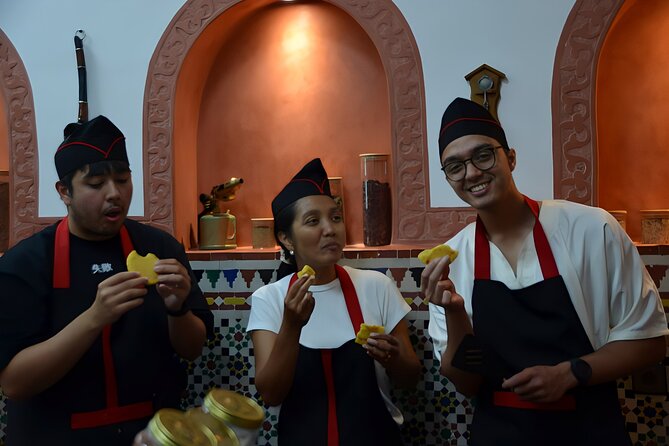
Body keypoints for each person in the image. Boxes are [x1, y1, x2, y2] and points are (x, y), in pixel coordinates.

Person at [423, 98, 669, 445]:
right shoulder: (451, 261)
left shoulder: (590, 229)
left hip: (589, 429)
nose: (472, 173)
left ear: (511, 157)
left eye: (483, 155)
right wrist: (454, 311)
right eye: (454, 166)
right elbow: (466, 383)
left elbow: (652, 342)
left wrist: (571, 373)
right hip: (499, 434)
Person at [0, 116, 214, 445]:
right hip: (55, 436)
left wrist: (177, 309)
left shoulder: (160, 249)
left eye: (123, 179)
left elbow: (192, 348)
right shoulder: (25, 264)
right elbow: (15, 383)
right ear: (64, 192)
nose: (114, 194)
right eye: (96, 184)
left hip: (149, 432)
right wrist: (94, 317)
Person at [247, 158, 422, 445]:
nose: (330, 229)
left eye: (336, 217)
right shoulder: (270, 299)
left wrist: (394, 357)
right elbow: (270, 394)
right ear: (286, 239)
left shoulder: (377, 287)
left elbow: (410, 378)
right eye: (313, 221)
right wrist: (291, 325)